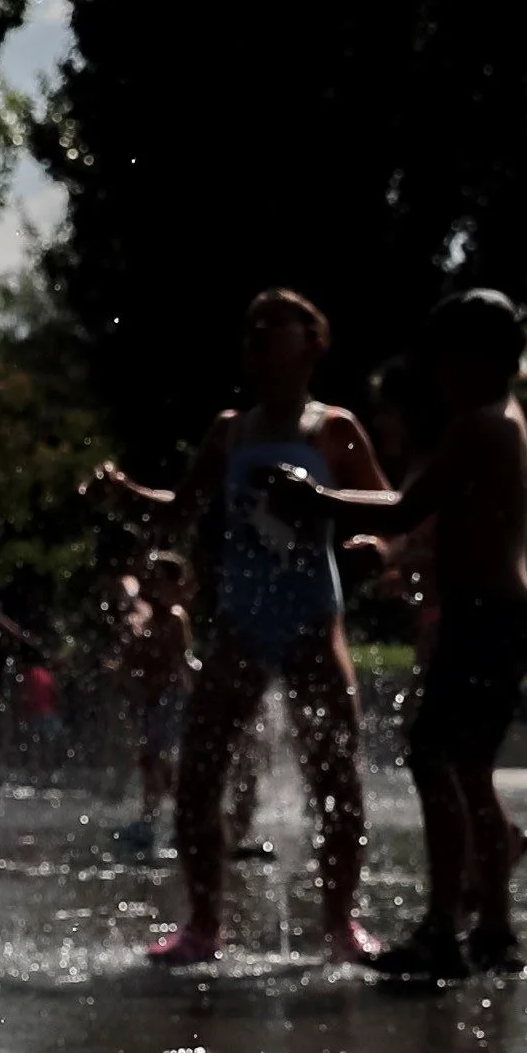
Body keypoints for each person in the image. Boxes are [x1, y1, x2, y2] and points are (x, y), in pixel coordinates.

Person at [91, 291, 390, 964]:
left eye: (271, 331)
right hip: (239, 623)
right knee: (199, 773)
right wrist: (124, 493)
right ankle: (202, 926)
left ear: (314, 344)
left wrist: (379, 550)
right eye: (249, 331)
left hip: (315, 620)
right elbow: (181, 509)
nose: (254, 342)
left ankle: (341, 926)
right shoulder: (229, 430)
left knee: (336, 779)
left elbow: (387, 504)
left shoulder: (333, 428)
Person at [271, 291, 527, 978]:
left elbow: (405, 508)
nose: (438, 379)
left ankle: (441, 930)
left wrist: (317, 500)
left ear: (476, 360)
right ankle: (494, 930)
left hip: (484, 616)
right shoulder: (503, 419)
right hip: (501, 613)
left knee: (434, 759)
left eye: (445, 362)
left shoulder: (479, 425)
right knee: (469, 768)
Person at [114, 551, 193, 858]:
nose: (151, 586)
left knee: (157, 759)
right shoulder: (148, 615)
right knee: (151, 760)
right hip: (153, 698)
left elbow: (175, 659)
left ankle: (166, 818)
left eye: (158, 580)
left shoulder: (174, 617)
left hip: (171, 698)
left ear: (174, 585)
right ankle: (156, 818)